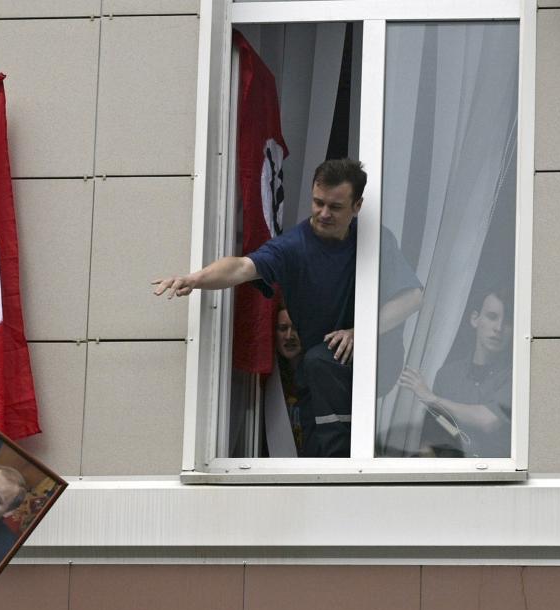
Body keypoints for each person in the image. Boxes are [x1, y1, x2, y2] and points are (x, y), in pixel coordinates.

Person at [154, 158, 422, 457]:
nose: (323, 213)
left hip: (375, 358)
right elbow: (242, 267)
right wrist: (195, 278)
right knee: (311, 448)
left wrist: (360, 331)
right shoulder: (293, 246)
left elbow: (413, 297)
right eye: (318, 202)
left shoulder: (374, 239)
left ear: (356, 206)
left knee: (322, 367)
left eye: (335, 207)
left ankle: (350, 460)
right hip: (318, 370)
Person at [399, 288, 512, 458]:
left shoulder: (516, 376)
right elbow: (435, 435)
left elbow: (488, 420)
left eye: (508, 321)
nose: (499, 327)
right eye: (492, 317)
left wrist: (433, 399)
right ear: (475, 319)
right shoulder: (447, 375)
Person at [275, 306, 308, 453]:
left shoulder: (316, 375)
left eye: (295, 328)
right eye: (283, 328)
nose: (289, 336)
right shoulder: (266, 382)